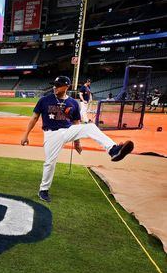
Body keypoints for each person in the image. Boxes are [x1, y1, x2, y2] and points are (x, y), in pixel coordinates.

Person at [21, 75, 134, 203]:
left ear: (66, 87)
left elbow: (76, 123)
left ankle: (113, 150)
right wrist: (26, 135)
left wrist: (77, 142)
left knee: (90, 127)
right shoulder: (44, 100)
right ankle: (43, 190)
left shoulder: (73, 103)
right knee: (50, 163)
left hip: (68, 130)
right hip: (51, 134)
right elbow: (34, 118)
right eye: (54, 85)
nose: (55, 87)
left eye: (58, 85)